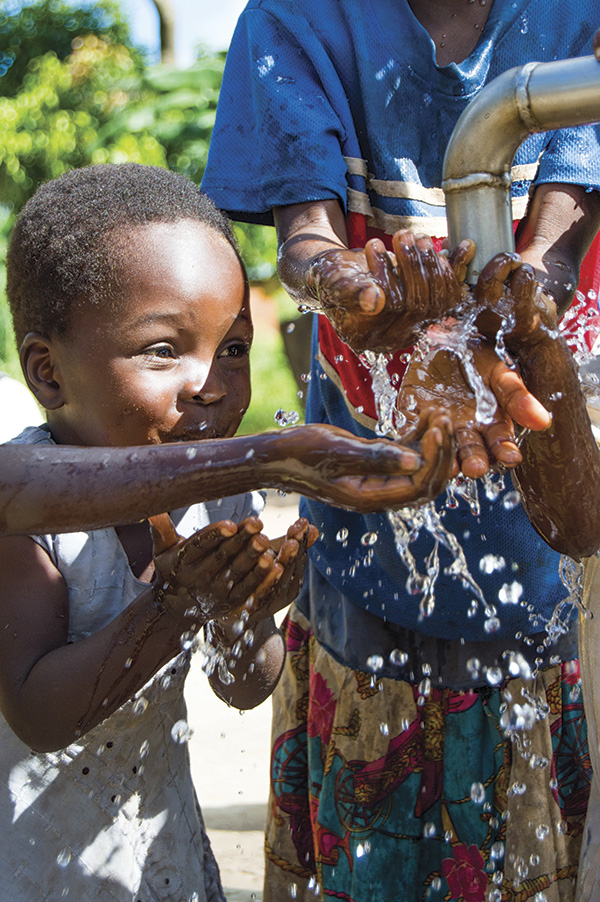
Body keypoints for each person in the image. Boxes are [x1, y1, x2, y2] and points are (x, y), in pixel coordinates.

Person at [201, 1, 600, 899]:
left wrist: (515, 312)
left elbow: (556, 251)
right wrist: (355, 289)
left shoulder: (579, 16)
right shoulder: (297, 20)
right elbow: (308, 242)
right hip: (360, 558)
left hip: (539, 523)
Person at [0, 161, 463, 900]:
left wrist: (247, 610)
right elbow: (40, 714)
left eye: (234, 348)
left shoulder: (212, 497)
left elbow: (240, 686)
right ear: (48, 373)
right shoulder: (24, 510)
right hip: (38, 864)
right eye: (162, 349)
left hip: (162, 856)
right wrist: (174, 606)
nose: (211, 384)